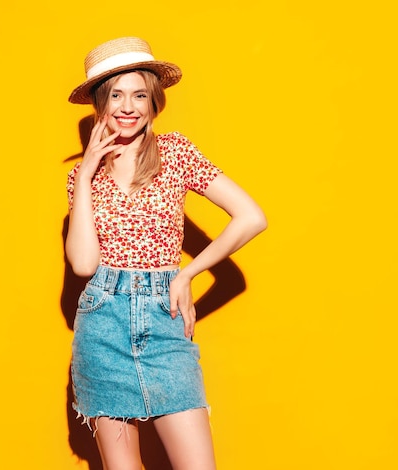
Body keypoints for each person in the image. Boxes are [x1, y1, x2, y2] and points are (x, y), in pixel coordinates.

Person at [65, 37, 267, 470]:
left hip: (163, 322)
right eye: (115, 94)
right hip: (103, 325)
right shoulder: (83, 178)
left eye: (139, 94)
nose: (128, 106)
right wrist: (85, 174)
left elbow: (251, 216)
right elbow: (83, 264)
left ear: (154, 101)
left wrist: (185, 273)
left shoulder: (175, 153)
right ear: (99, 102)